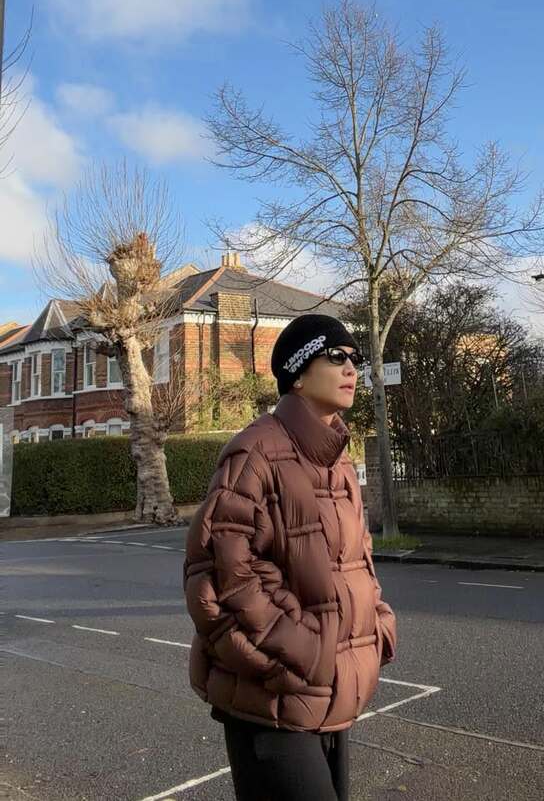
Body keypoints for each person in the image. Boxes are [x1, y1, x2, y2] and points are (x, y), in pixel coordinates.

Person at [183, 314, 397, 801]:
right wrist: (302, 653)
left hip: (329, 691)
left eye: (356, 359)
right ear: (298, 374)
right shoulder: (254, 452)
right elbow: (218, 578)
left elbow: (358, 560)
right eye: (336, 356)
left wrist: (376, 625)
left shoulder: (339, 458)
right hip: (272, 700)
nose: (351, 368)